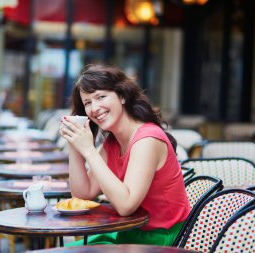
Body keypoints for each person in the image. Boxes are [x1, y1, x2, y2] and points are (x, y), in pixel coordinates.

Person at [59, 64, 190, 246]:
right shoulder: (113, 142)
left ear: (121, 96)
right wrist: (74, 143)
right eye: (87, 102)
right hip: (129, 232)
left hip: (162, 239)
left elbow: (126, 206)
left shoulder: (147, 139)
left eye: (101, 97)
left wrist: (89, 150)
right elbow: (83, 194)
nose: (94, 108)